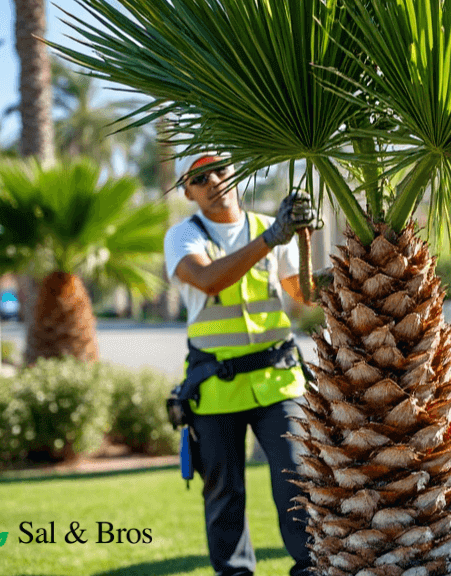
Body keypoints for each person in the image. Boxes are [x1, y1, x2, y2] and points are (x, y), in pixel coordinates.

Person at [164, 152, 318, 576]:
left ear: (235, 173)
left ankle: (311, 568)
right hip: (216, 386)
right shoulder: (182, 237)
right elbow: (210, 278)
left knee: (298, 478)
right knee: (224, 493)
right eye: (199, 178)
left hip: (278, 381)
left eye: (220, 169)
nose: (213, 180)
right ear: (187, 191)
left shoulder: (268, 228)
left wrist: (303, 237)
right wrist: (274, 238)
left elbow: (304, 293)